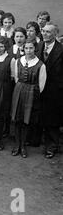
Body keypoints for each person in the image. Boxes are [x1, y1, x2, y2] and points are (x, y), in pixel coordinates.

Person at [11, 39, 46, 158]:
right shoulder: (18, 61)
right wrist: (21, 88)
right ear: (23, 49)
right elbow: (16, 77)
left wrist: (31, 92)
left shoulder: (40, 65)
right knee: (17, 118)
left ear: (35, 49)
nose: (28, 51)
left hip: (31, 93)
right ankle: (17, 145)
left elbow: (41, 85)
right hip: (19, 90)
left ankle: (23, 146)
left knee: (26, 119)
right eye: (26, 48)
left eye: (31, 48)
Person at [36, 24, 63, 159]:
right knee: (40, 115)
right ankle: (37, 140)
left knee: (53, 119)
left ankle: (52, 146)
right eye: (43, 31)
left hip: (55, 92)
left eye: (48, 32)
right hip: (40, 88)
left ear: (55, 34)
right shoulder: (39, 46)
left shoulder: (61, 50)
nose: (44, 34)